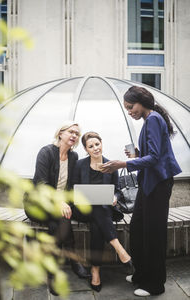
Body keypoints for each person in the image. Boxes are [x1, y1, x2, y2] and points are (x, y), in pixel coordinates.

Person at [100, 86, 182, 296]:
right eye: (127, 108)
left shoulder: (153, 119)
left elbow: (155, 158)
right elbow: (154, 153)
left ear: (142, 101)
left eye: (131, 107)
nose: (129, 111)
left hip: (158, 184)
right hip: (150, 183)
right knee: (138, 229)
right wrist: (137, 154)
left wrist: (124, 163)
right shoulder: (150, 120)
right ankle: (141, 275)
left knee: (153, 234)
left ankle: (154, 284)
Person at [24, 121, 90, 295]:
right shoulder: (46, 152)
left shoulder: (73, 157)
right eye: (71, 132)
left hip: (59, 207)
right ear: (60, 133)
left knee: (60, 222)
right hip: (38, 204)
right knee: (62, 218)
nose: (74, 135)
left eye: (77, 133)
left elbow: (71, 186)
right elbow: (41, 184)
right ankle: (73, 262)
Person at [72, 131, 132, 292]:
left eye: (97, 144)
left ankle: (95, 270)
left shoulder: (111, 165)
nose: (95, 148)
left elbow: (118, 190)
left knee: (98, 222)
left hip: (103, 211)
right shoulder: (79, 165)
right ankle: (119, 248)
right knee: (98, 208)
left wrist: (114, 196)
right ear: (86, 149)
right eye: (91, 146)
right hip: (82, 209)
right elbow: (73, 189)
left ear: (101, 144)